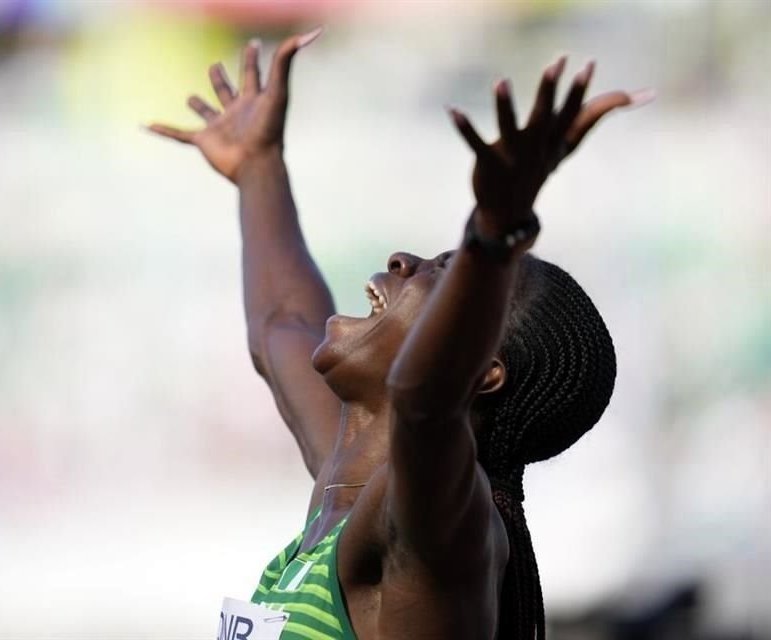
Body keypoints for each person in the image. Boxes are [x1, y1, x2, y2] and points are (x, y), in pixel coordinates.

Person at [149, 28, 650, 640]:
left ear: (480, 368)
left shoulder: (438, 519)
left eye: (440, 272)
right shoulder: (344, 482)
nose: (403, 261)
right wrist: (258, 166)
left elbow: (426, 401)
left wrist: (494, 230)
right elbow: (281, 325)